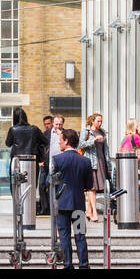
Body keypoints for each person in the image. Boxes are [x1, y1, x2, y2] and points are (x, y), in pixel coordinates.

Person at [52, 128, 93, 268]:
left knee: (64, 236)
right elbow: (89, 184)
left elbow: (49, 181)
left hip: (63, 204)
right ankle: (84, 264)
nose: (59, 143)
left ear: (66, 141)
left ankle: (68, 264)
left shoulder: (58, 159)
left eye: (60, 140)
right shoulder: (85, 161)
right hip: (78, 203)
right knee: (80, 235)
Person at [4, 107, 47, 204]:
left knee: (15, 185)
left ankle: (18, 205)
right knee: (31, 184)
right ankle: (29, 206)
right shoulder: (34, 129)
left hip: (17, 161)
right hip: (32, 161)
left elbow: (8, 143)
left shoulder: (13, 129)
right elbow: (45, 141)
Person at [78, 112, 110, 223]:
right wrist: (93, 140)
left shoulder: (102, 132)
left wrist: (108, 163)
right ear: (92, 121)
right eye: (98, 121)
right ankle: (94, 213)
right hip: (90, 162)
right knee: (92, 188)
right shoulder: (86, 132)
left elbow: (106, 149)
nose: (100, 123)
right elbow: (80, 145)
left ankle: (88, 211)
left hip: (101, 162)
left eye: (101, 121)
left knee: (96, 188)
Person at [37, 116, 54, 214]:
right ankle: (45, 208)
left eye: (48, 123)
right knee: (41, 185)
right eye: (45, 124)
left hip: (53, 164)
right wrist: (40, 161)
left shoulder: (56, 134)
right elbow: (40, 148)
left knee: (52, 185)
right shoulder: (43, 135)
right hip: (44, 164)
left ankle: (51, 206)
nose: (47, 126)